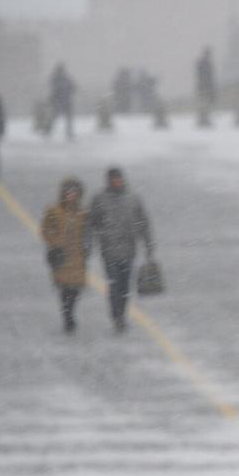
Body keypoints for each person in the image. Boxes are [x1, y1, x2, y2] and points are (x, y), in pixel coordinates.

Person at [89, 167, 155, 332]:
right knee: (114, 284)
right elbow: (91, 223)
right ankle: (116, 316)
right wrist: (94, 240)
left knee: (125, 286)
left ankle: (121, 314)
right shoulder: (100, 199)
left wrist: (148, 245)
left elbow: (143, 222)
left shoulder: (133, 198)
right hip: (109, 250)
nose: (117, 182)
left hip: (128, 249)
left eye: (119, 179)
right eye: (114, 179)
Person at [40, 178, 91, 333]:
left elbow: (88, 233)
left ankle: (70, 311)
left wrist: (86, 248)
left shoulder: (83, 213)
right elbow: (45, 229)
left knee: (75, 289)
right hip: (61, 256)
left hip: (77, 257)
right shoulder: (54, 211)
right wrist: (55, 243)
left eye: (74, 193)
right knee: (64, 288)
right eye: (68, 192)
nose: (71, 196)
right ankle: (67, 316)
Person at [49, 63, 77, 140]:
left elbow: (54, 90)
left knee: (56, 117)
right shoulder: (65, 78)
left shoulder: (56, 78)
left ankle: (49, 130)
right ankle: (68, 132)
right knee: (66, 118)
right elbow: (73, 87)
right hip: (64, 101)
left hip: (60, 101)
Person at [196, 47, 216, 127]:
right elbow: (203, 76)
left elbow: (209, 77)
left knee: (205, 104)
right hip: (205, 87)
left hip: (205, 87)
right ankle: (203, 119)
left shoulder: (205, 64)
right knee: (204, 104)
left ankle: (204, 119)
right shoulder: (204, 64)